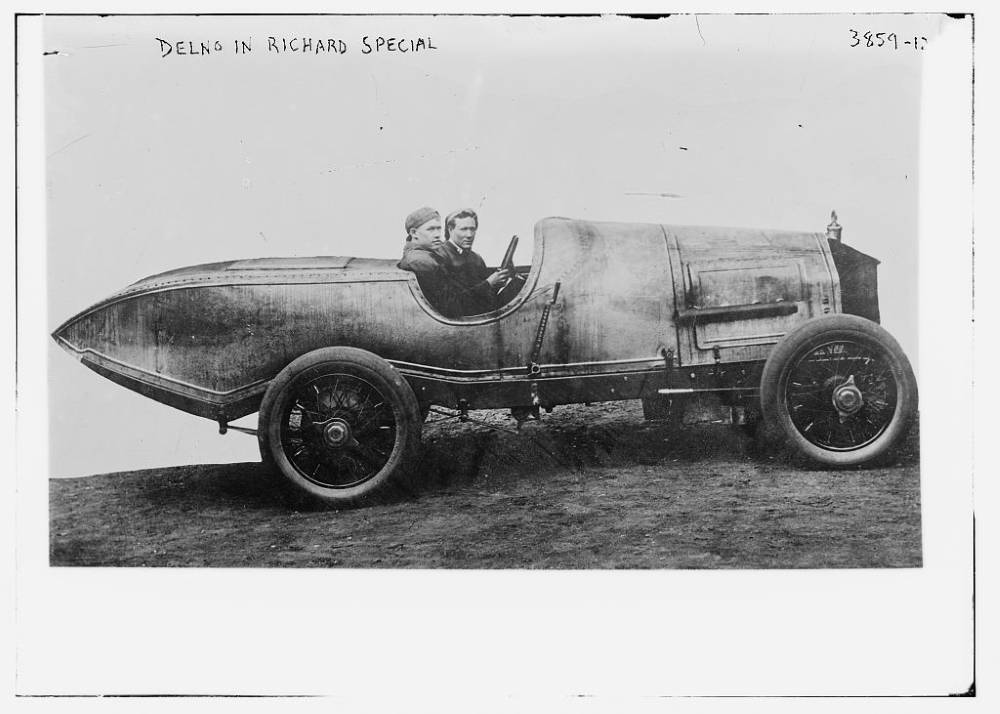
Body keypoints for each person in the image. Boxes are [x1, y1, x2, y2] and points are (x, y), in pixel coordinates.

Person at [440, 208, 511, 315]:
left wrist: (497, 284)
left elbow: (483, 297)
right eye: (463, 229)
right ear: (450, 230)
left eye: (472, 229)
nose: (470, 235)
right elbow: (452, 304)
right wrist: (489, 284)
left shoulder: (476, 258)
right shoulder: (440, 256)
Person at [397, 207, 457, 315]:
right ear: (414, 233)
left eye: (439, 228)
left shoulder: (426, 252)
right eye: (430, 229)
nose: (437, 234)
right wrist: (488, 284)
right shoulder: (421, 261)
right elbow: (452, 306)